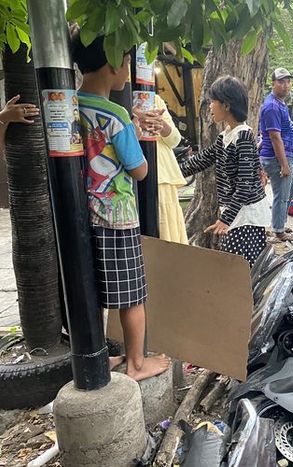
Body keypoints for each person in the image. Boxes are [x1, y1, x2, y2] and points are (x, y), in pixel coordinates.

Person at [70, 32, 170, 380]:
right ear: (114, 64)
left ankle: (96, 356)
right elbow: (140, 170)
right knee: (131, 295)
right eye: (126, 62)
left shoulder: (70, 105)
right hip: (117, 217)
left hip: (82, 215)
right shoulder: (116, 115)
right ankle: (137, 363)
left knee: (93, 290)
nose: (128, 68)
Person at [179, 76, 269, 266]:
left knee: (239, 268)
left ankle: (248, 297)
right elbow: (201, 160)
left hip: (246, 216)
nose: (210, 106)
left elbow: (245, 185)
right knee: (233, 266)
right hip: (235, 214)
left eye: (213, 101)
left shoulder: (243, 136)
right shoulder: (225, 136)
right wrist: (170, 172)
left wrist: (225, 220)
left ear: (226, 105)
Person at [134, 94, 188, 244]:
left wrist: (161, 125)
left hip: (162, 178)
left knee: (167, 239)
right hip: (134, 175)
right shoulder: (121, 101)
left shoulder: (154, 99)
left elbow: (175, 140)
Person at [259, 67, 293, 242]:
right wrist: (283, 165)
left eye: (288, 81)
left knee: (289, 192)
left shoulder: (279, 103)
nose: (285, 85)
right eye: (281, 82)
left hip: (285, 155)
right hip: (277, 158)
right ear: (273, 83)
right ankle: (278, 231)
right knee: (281, 196)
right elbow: (275, 137)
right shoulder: (272, 106)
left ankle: (280, 224)